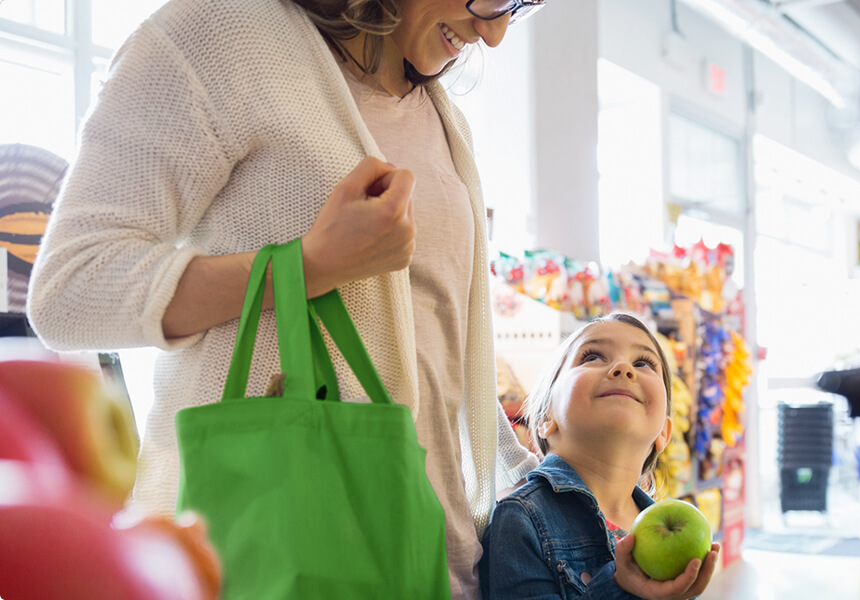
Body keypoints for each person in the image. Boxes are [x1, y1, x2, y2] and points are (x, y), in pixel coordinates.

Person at [28, 1, 547, 597]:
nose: (497, 32)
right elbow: (70, 290)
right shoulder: (223, 34)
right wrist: (307, 266)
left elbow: (444, 364)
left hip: (437, 564)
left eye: (521, 4)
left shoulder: (444, 119)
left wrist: (567, 503)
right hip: (268, 557)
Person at [481, 313, 721, 600]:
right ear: (545, 417)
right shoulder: (521, 519)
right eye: (592, 356)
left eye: (643, 363)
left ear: (663, 433)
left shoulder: (671, 530)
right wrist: (618, 587)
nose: (623, 367)